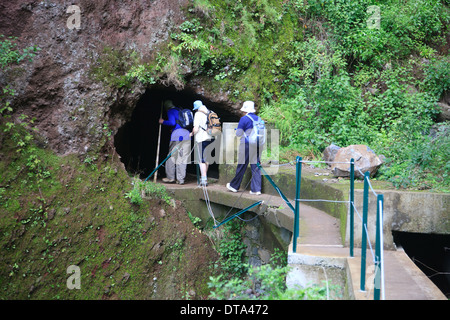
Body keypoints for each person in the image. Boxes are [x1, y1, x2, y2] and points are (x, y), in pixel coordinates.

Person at [226, 101, 262, 195]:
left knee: (242, 165)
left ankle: (234, 186)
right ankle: (256, 189)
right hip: (257, 144)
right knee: (256, 166)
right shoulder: (258, 119)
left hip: (246, 144)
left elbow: (238, 134)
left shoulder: (244, 119)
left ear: (245, 110)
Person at [159, 100, 191, 185]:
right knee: (182, 157)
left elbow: (172, 122)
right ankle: (181, 180)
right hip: (186, 134)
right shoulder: (180, 111)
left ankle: (170, 177)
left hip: (177, 135)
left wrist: (163, 122)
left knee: (171, 156)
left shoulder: (171, 111)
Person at [191, 100, 213, 187]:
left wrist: (192, 133)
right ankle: (204, 178)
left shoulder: (198, 114)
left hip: (201, 139)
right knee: (206, 159)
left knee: (201, 160)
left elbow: (196, 129)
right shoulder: (210, 112)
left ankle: (204, 179)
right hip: (210, 138)